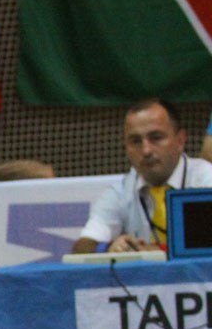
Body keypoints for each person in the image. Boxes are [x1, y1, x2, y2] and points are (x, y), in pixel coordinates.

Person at [73, 98, 212, 254]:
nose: (146, 150)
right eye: (135, 141)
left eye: (156, 138)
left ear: (180, 140)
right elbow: (81, 248)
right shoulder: (119, 193)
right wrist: (106, 248)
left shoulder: (206, 180)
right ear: (125, 147)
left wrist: (158, 252)